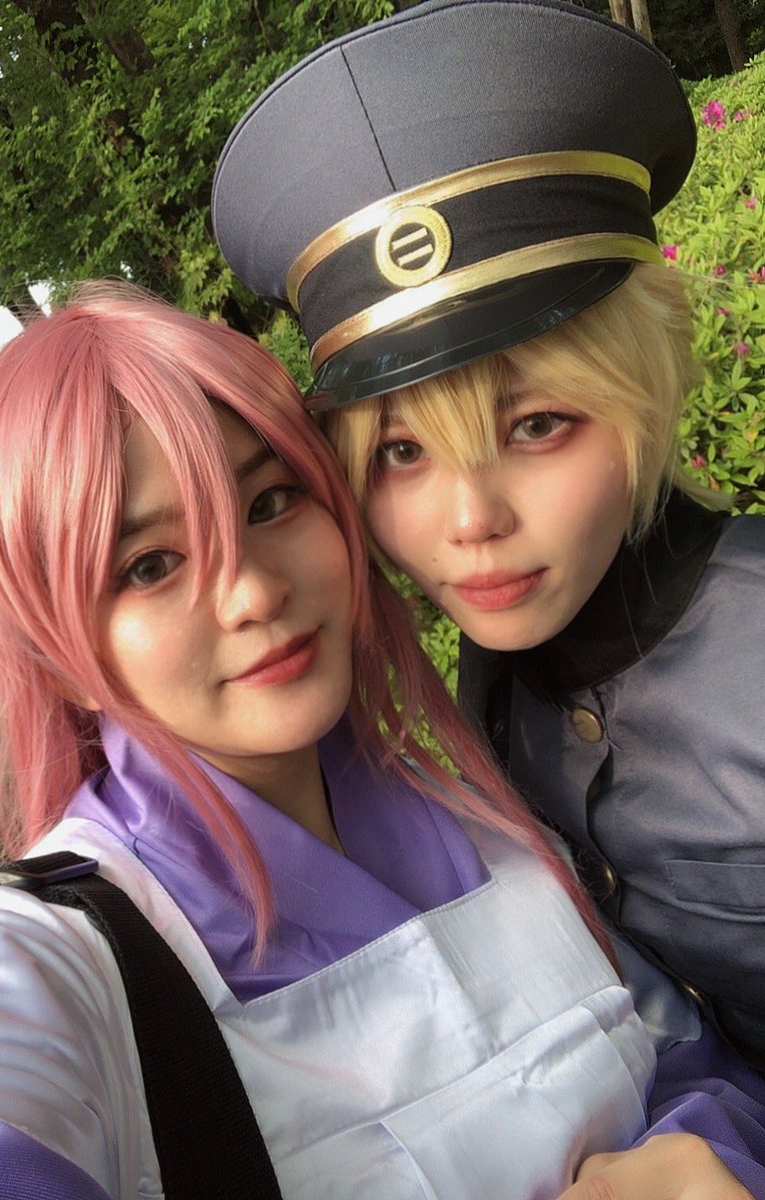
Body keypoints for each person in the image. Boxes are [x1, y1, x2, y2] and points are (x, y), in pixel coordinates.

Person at [0, 284, 764, 1200]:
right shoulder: (47, 956)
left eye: (269, 502)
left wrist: (708, 1154)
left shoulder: (479, 803)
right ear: (55, 657)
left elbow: (689, 1062)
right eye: (149, 565)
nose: (253, 592)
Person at [211, 0, 765, 1071]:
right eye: (401, 453)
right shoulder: (493, 675)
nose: (470, 525)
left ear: (644, 392)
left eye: (537, 425)